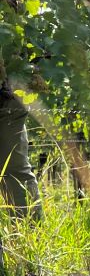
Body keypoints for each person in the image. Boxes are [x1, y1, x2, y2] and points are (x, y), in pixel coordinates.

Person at [0, 84, 42, 218]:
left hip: (7, 98)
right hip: (11, 93)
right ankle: (30, 232)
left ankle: (29, 232)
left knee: (15, 172)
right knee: (16, 172)